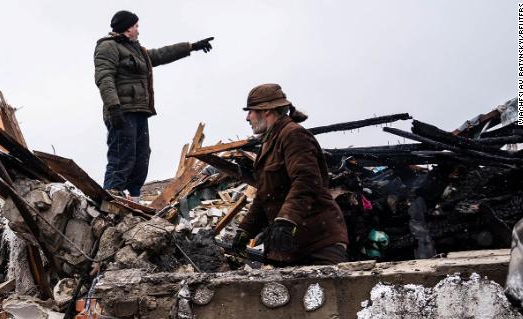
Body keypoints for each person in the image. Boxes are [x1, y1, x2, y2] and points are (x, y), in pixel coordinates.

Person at [94, 10, 214, 197]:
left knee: (142, 156)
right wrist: (113, 107)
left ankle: (134, 196)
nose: (138, 30)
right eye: (136, 26)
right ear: (127, 28)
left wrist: (191, 47)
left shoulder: (137, 50)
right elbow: (104, 78)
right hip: (122, 111)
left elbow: (161, 54)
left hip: (140, 109)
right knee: (122, 154)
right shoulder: (108, 47)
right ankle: (111, 193)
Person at [232, 84, 349, 264]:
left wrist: (286, 220)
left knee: (324, 291)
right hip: (291, 248)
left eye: (251, 111)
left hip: (318, 243)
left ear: (267, 110)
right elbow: (265, 195)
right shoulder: (269, 144)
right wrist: (245, 230)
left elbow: (306, 180)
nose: (248, 117)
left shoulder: (293, 135)